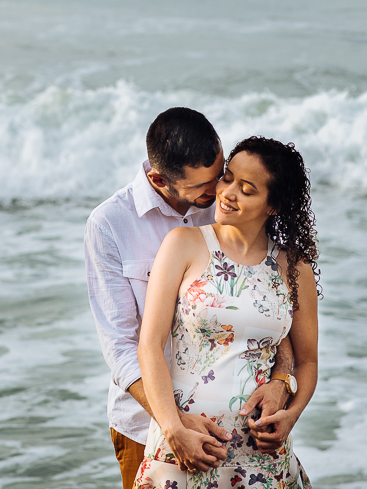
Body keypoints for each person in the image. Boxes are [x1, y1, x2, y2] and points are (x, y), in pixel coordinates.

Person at [85, 109, 295, 489]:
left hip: (240, 435)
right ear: (158, 179)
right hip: (143, 423)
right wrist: (173, 424)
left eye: (222, 175)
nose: (218, 191)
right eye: (206, 185)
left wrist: (283, 378)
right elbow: (121, 345)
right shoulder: (110, 225)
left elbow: (266, 308)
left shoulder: (226, 207)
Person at [135, 136, 320, 489]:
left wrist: (291, 415)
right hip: (186, 446)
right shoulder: (183, 244)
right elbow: (149, 345)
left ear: (274, 205)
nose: (228, 192)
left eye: (247, 189)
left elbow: (307, 361)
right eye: (228, 177)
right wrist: (172, 429)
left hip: (261, 458)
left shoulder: (294, 267)